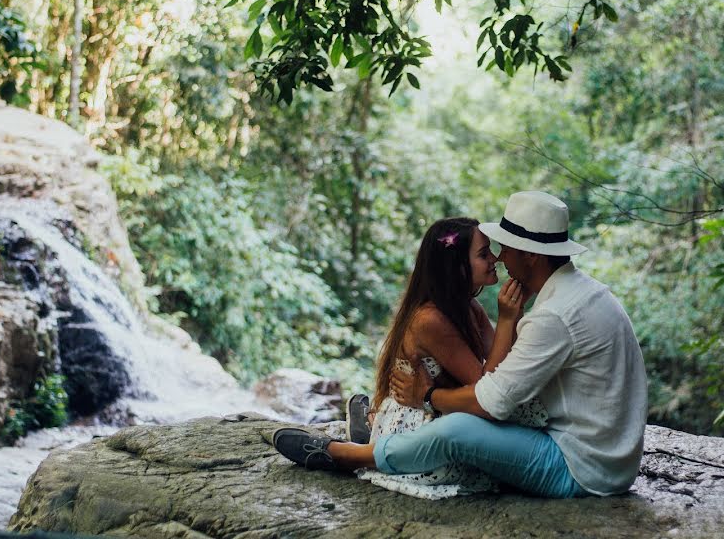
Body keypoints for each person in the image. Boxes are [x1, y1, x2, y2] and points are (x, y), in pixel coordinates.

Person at [273, 191, 647, 499]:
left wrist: (428, 395)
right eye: (490, 251)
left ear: (531, 255)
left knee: (457, 433)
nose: (500, 258)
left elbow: (492, 402)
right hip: (609, 461)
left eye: (505, 248)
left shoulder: (553, 316)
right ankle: (377, 438)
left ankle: (349, 455)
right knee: (471, 424)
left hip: (581, 468)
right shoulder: (586, 293)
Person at [351, 217, 546, 498]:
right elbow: (486, 385)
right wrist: (506, 320)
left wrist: (517, 312)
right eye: (483, 254)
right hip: (422, 425)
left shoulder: (470, 307)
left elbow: (503, 362)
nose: (495, 258)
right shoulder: (430, 320)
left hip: (449, 405)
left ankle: (363, 429)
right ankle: (368, 439)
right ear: (457, 267)